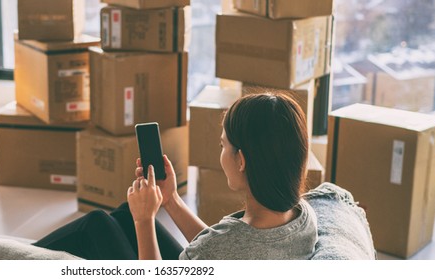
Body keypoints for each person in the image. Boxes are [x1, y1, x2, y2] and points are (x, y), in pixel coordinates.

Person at [34, 92, 318, 260]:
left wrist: (145, 220)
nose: (220, 154)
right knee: (122, 216)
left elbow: (219, 248)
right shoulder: (303, 214)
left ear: (241, 160)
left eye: (223, 146)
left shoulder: (223, 245)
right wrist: (170, 200)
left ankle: (4, 259)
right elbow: (223, 247)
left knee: (96, 225)